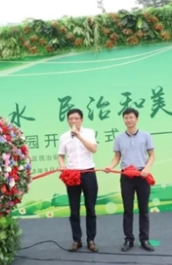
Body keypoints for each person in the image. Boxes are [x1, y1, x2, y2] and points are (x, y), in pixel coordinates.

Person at [105, 108, 156, 252]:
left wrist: (147, 168)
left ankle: (144, 239)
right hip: (126, 176)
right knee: (128, 210)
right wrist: (109, 167)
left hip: (142, 175)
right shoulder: (119, 138)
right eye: (126, 118)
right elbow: (117, 157)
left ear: (137, 119)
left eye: (131, 117)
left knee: (143, 209)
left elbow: (152, 155)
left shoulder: (146, 135)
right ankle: (128, 239)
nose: (129, 120)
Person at [57, 108, 99, 252]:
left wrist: (79, 136)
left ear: (82, 120)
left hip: (88, 172)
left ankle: (91, 240)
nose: (73, 121)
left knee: (90, 208)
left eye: (76, 118)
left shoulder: (89, 132)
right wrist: (62, 164)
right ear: (68, 121)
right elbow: (61, 155)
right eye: (71, 119)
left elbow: (94, 149)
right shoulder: (64, 137)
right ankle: (77, 240)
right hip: (72, 174)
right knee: (74, 210)